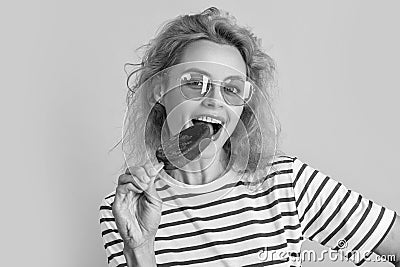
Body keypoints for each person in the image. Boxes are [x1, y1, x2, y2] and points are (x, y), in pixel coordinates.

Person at [99, 7, 400, 267]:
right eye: (195, 83)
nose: (215, 100)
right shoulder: (128, 208)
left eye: (231, 88)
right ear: (158, 90)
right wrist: (139, 249)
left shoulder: (284, 183)